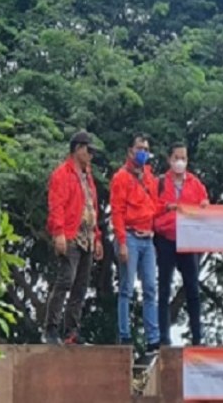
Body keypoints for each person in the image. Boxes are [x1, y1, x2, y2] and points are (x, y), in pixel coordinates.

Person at [43, 131, 104, 345]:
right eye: (88, 150)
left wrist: (97, 237)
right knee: (65, 280)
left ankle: (72, 331)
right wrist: (58, 232)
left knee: (80, 285)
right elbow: (56, 204)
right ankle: (51, 328)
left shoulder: (88, 176)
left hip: (86, 236)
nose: (91, 155)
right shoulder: (62, 173)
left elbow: (92, 207)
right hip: (70, 234)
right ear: (78, 148)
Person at [153, 142, 209, 346]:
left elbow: (205, 205)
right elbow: (152, 207)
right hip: (166, 238)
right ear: (169, 159)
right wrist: (168, 206)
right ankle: (163, 338)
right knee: (164, 288)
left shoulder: (195, 183)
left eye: (183, 158)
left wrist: (204, 205)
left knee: (193, 289)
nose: (180, 162)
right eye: (176, 157)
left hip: (189, 240)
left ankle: (197, 337)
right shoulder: (159, 182)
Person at [110, 133, 160, 357]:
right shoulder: (121, 177)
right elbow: (117, 212)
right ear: (130, 151)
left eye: (146, 148)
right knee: (127, 288)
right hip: (129, 236)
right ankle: (125, 335)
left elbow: (155, 205)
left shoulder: (149, 176)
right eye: (140, 148)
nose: (143, 152)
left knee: (150, 288)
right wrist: (121, 242)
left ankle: (153, 339)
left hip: (148, 238)